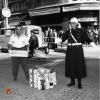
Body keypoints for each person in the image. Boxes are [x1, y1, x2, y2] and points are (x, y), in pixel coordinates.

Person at [62, 17, 97, 89]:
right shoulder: (69, 31)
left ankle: (79, 83)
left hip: (78, 51)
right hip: (70, 50)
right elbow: (63, 39)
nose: (72, 24)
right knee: (71, 66)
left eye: (74, 23)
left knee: (78, 66)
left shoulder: (81, 31)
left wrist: (93, 45)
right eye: (71, 23)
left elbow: (87, 38)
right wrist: (66, 31)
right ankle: (72, 81)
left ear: (77, 24)